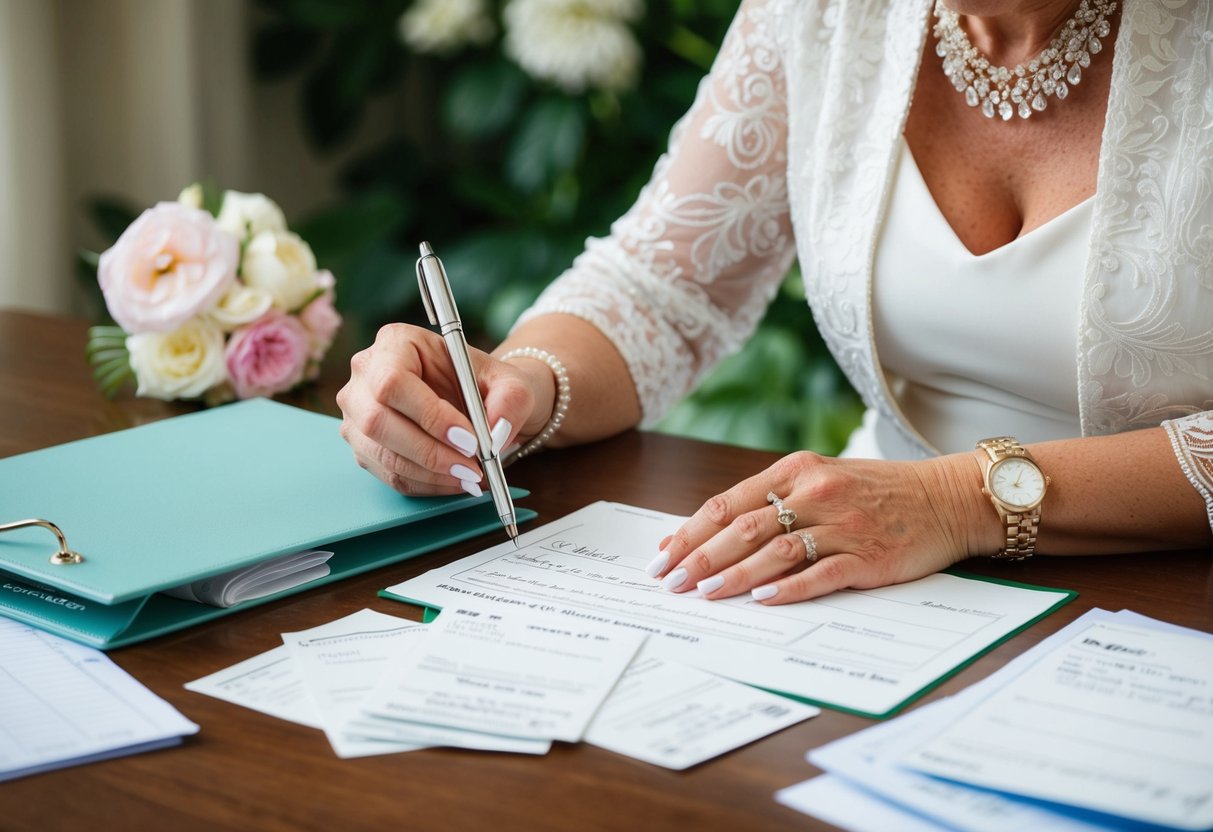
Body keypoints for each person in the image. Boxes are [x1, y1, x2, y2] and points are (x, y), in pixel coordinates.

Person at [338, 0, 1213, 606]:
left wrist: (956, 501)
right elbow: (663, 282)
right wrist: (515, 388)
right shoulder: (820, 14)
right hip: (882, 582)